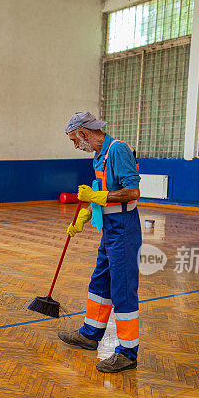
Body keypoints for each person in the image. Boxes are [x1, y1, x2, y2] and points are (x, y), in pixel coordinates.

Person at [58, 112, 142, 373]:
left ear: (84, 133)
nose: (75, 146)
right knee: (100, 282)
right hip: (109, 230)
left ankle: (127, 352)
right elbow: (103, 193)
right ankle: (90, 334)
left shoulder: (117, 150)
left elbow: (132, 191)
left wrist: (98, 196)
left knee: (122, 289)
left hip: (125, 230)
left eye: (75, 140)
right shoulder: (99, 155)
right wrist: (86, 214)